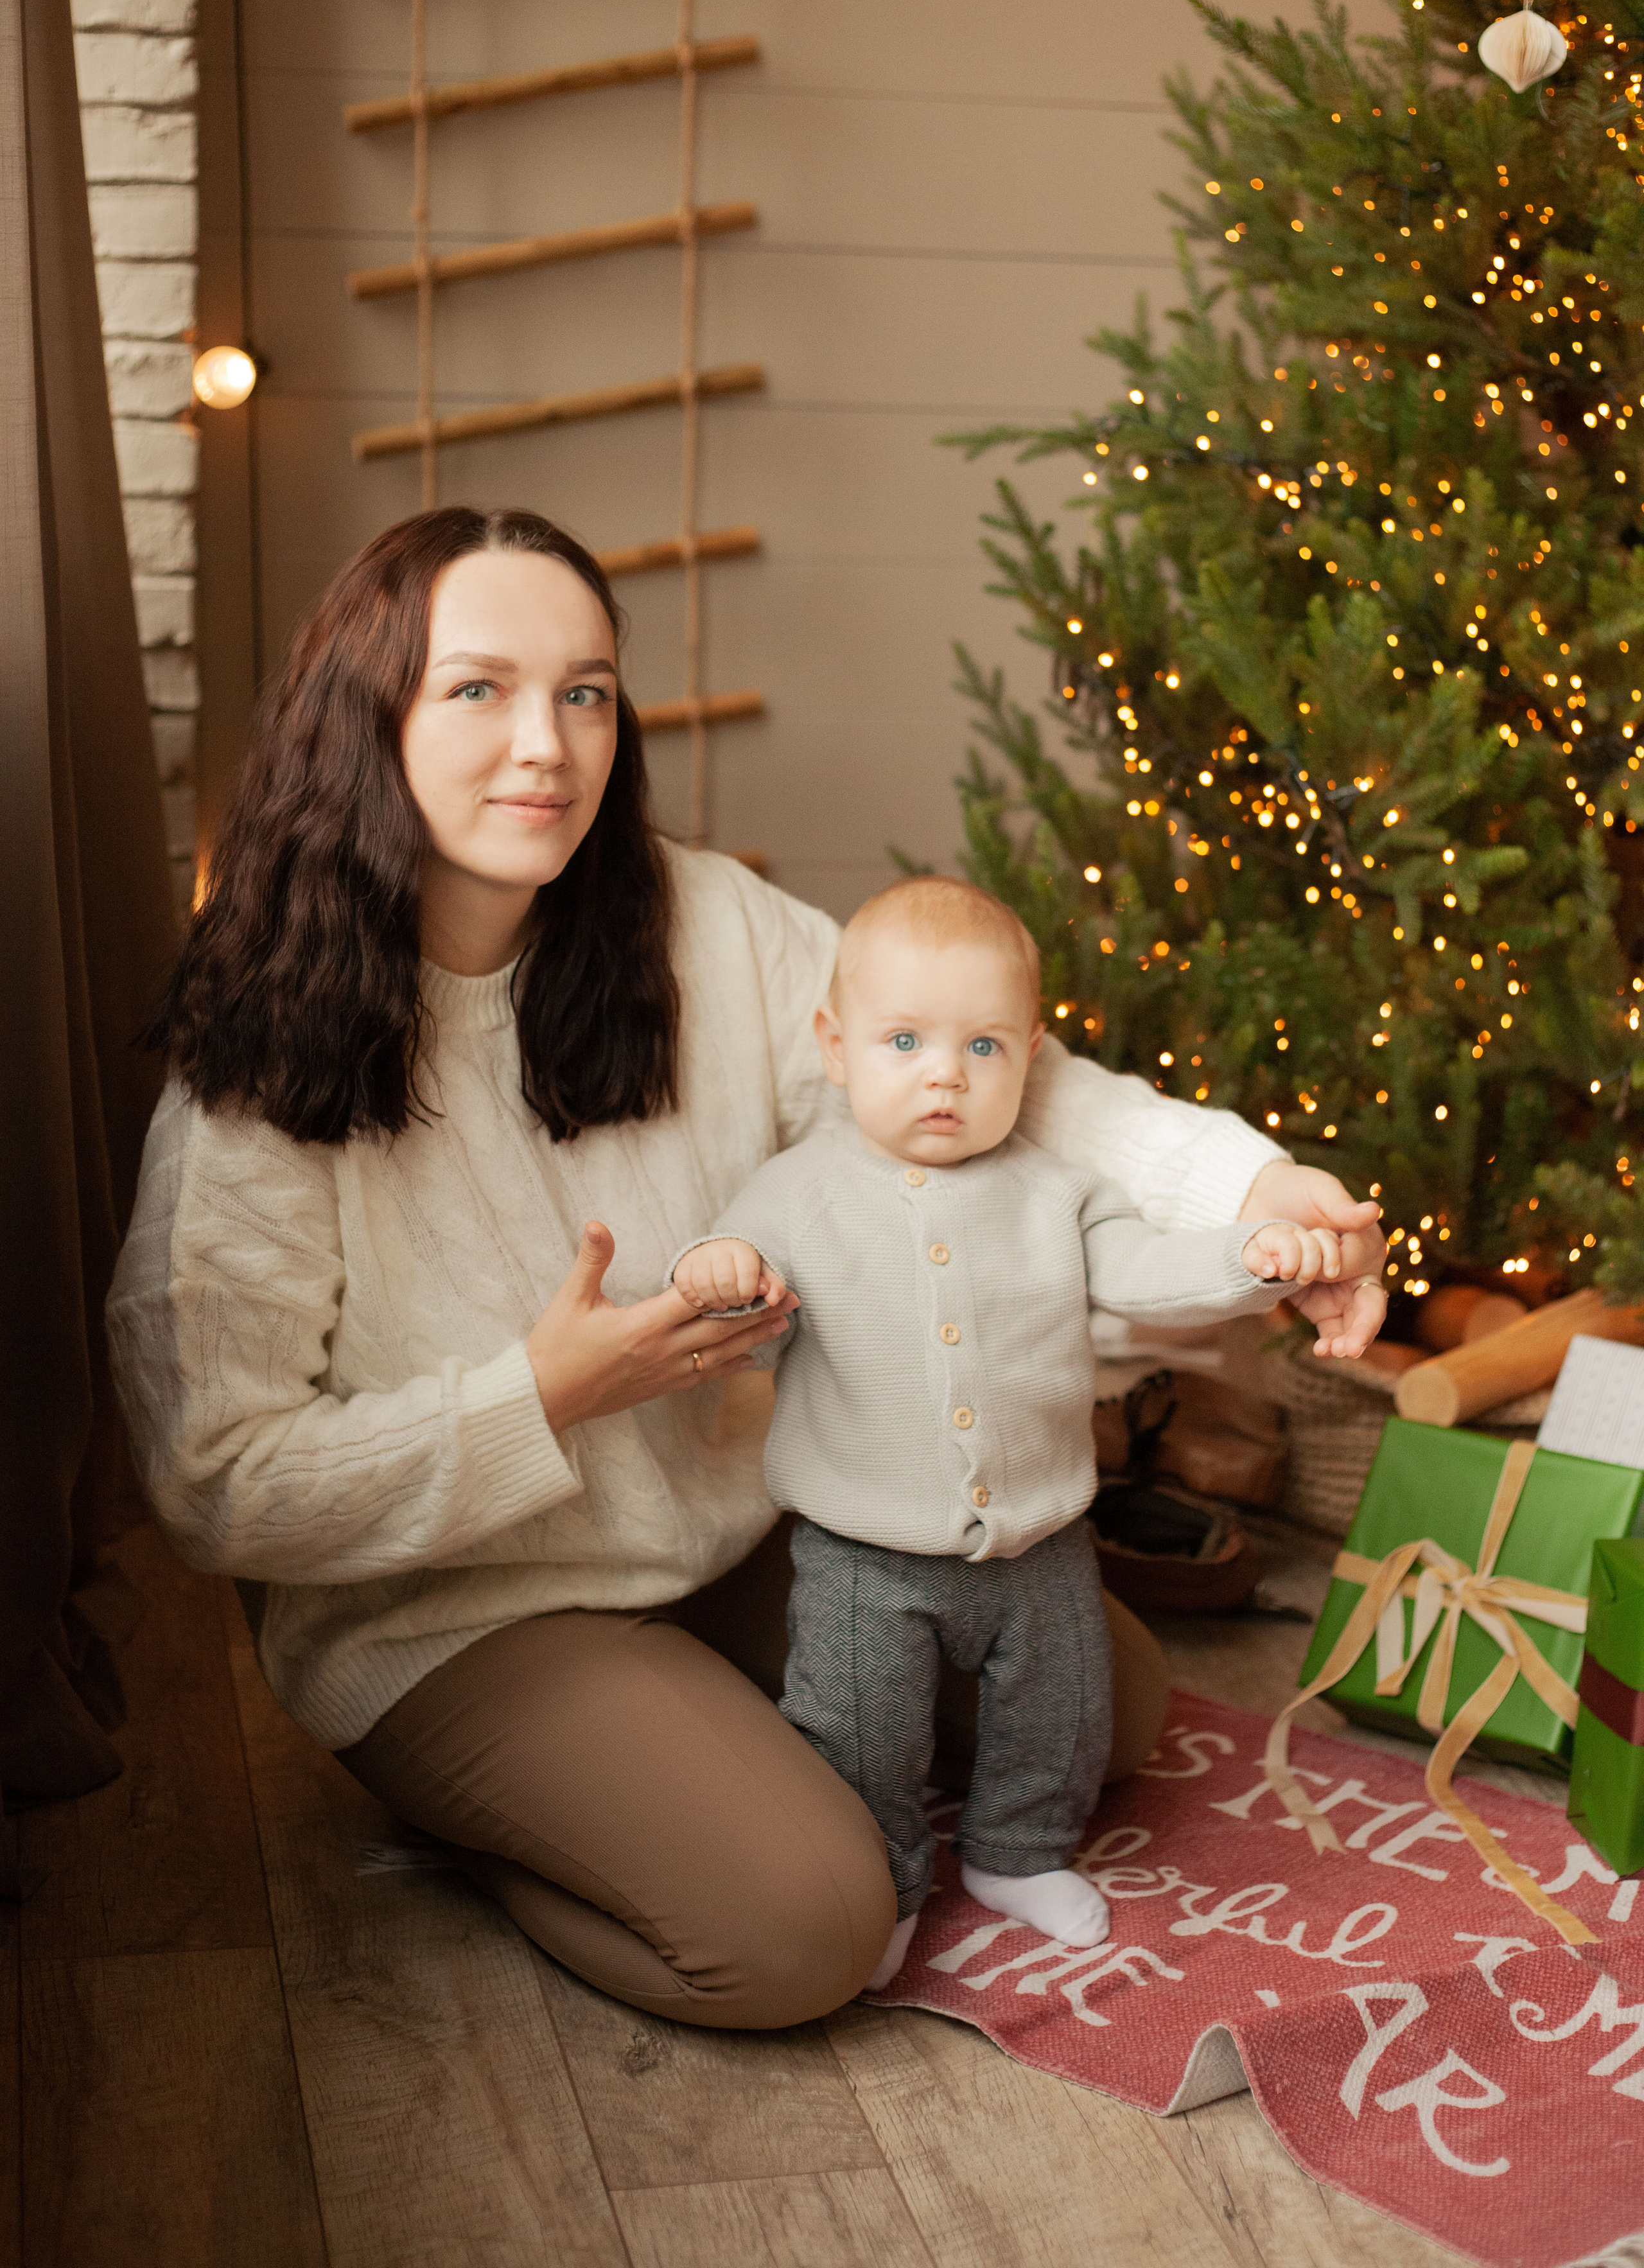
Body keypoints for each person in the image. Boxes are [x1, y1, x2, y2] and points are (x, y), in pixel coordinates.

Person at [107, 505, 1387, 2033]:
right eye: (478, 689)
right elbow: (218, 1486)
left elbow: (973, 1071)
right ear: (362, 715)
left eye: (585, 690)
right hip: (457, 1614)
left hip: (733, 1530)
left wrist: (1256, 1184)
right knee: (802, 1929)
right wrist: (543, 1394)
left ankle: (690, 1759)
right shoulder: (253, 1070)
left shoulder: (696, 921)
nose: (546, 745)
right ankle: (498, 1830)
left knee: (1111, 1706)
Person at [669, 875, 1360, 1991]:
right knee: (862, 1732)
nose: (946, 1073)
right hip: (863, 1554)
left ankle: (1018, 1854)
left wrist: (1250, 1256)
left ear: (1030, 1054)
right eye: (905, 1041)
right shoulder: (791, 1196)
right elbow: (737, 1329)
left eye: (984, 1047)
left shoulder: (1057, 1191)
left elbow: (1144, 1270)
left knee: (1064, 1713)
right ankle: (887, 1874)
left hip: (1040, 1545)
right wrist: (721, 1279)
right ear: (835, 1049)